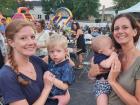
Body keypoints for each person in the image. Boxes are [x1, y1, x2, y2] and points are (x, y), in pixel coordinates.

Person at [0, 19, 69, 105]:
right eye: (23, 38)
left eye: (32, 37)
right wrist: (47, 88)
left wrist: (66, 94)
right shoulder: (6, 75)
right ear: (11, 42)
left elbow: (60, 79)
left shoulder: (35, 60)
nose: (31, 42)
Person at [88, 13, 140, 105]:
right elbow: (92, 74)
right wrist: (92, 73)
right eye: (116, 28)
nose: (120, 31)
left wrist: (112, 81)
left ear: (134, 32)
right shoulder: (112, 54)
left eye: (125, 27)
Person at [46, 34, 75, 105]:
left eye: (58, 51)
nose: (55, 54)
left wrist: (51, 78)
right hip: (49, 97)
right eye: (52, 51)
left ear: (65, 51)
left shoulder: (66, 67)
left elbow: (64, 86)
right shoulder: (52, 63)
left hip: (56, 99)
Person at [91, 35, 117, 105]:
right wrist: (113, 55)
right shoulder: (99, 57)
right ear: (100, 51)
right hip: (102, 86)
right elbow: (106, 65)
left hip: (109, 84)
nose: (113, 48)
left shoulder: (106, 54)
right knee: (102, 101)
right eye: (111, 48)